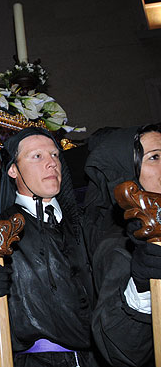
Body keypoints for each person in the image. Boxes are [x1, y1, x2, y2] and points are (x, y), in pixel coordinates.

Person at [0, 126, 97, 367]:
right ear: (13, 170)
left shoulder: (86, 224)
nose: (52, 163)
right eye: (37, 156)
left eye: (55, 155)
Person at [83, 124, 161, 367]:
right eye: (155, 157)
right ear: (128, 174)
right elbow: (120, 349)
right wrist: (140, 286)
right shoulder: (119, 247)